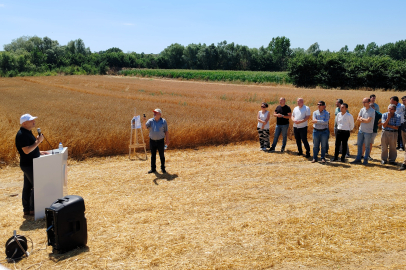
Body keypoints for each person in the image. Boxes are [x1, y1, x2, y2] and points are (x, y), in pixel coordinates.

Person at [15, 114, 49, 216]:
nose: (34, 121)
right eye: (31, 120)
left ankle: (28, 210)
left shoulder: (27, 132)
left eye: (34, 120)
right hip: (29, 164)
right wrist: (38, 142)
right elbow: (26, 150)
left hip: (30, 163)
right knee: (37, 185)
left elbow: (30, 147)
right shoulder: (22, 134)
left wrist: (39, 151)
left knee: (28, 186)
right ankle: (34, 210)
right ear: (24, 123)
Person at [143, 108, 169, 174]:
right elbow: (145, 127)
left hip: (161, 141)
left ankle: (163, 168)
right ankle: (153, 169)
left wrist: (167, 140)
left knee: (161, 155)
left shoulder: (163, 121)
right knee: (153, 155)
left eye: (156, 113)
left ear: (159, 114)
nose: (154, 114)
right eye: (154, 112)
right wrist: (143, 121)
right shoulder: (150, 121)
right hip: (152, 141)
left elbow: (166, 131)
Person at [351, 98, 375, 165]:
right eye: (363, 102)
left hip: (368, 131)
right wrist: (363, 119)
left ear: (369, 102)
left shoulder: (372, 111)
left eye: (365, 102)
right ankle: (358, 159)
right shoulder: (362, 109)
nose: (364, 103)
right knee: (359, 145)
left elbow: (368, 121)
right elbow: (358, 118)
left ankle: (365, 160)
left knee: (367, 146)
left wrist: (361, 119)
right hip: (361, 130)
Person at [399, 96, 406, 170]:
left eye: (404, 100)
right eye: (403, 101)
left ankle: (404, 163)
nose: (403, 102)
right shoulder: (403, 108)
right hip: (403, 129)